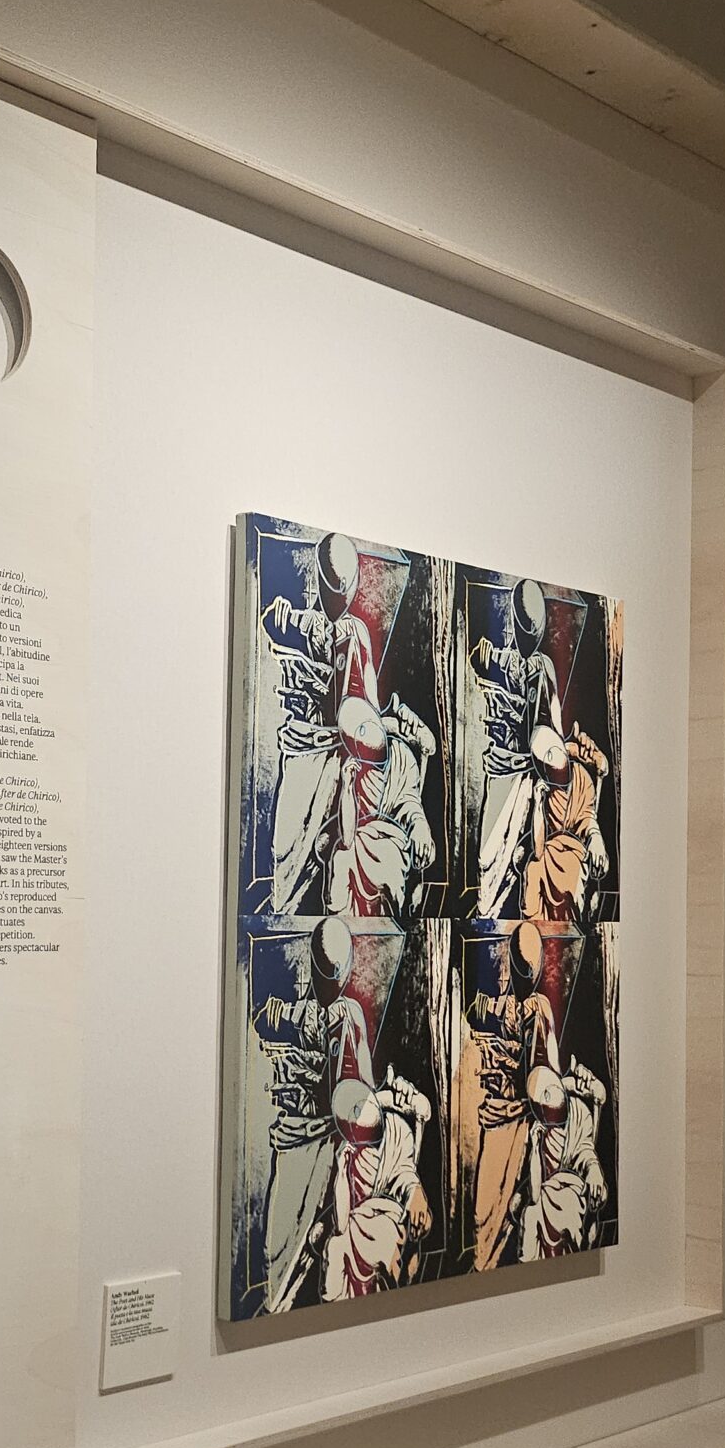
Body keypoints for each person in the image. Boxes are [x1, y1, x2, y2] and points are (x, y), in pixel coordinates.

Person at [256, 917, 373, 1313]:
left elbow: (363, 1088)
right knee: (277, 1243)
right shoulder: (298, 1014)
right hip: (295, 1138)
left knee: (323, 1233)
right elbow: (266, 1020)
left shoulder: (350, 1015)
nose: (332, 983)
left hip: (333, 1141)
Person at [261, 533, 379, 914]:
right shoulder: (300, 621)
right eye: (333, 587)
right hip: (302, 750)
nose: (339, 598)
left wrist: (365, 737)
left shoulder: (357, 633)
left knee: (336, 847)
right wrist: (281, 617)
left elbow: (370, 704)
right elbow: (269, 623)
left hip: (339, 755)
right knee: (284, 848)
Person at [467, 920, 559, 1272]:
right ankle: (485, 1262)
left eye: (530, 969)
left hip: (524, 1117)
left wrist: (512, 1063)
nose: (526, 977)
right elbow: (478, 1013)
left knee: (512, 1200)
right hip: (497, 1114)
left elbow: (546, 1072)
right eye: (521, 968)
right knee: (483, 1209)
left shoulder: (540, 1009)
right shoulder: (502, 1006)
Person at [471, 578, 561, 920]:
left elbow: (554, 723)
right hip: (500, 769)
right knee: (488, 855)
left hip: (529, 772)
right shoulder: (498, 658)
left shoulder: (544, 667)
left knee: (523, 851)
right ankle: (488, 908)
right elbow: (477, 661)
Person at [322, 1071, 434, 1301]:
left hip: (390, 1215)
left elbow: (405, 1173)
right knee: (335, 1248)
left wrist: (415, 1192)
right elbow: (342, 1219)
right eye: (354, 1112)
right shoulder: (348, 1157)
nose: (360, 1110)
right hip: (357, 1221)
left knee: (386, 1240)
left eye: (362, 1103)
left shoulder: (398, 1130)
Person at [325, 693, 437, 921]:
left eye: (366, 726)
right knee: (341, 858)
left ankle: (388, 924)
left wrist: (419, 827)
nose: (365, 737)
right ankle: (345, 925)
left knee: (389, 863)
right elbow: (347, 837)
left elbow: (410, 802)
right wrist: (348, 787)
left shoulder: (403, 756)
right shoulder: (356, 771)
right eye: (357, 735)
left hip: (393, 839)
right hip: (360, 839)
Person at [521, 722, 611, 927]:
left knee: (571, 874)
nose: (554, 756)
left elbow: (587, 816)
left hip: (575, 849)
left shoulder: (581, 777)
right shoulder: (546, 793)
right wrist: (538, 804)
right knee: (534, 869)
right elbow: (538, 850)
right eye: (546, 755)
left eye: (554, 748)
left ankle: (571, 926)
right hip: (549, 851)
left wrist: (595, 837)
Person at [527, 1058, 609, 1258]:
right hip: (547, 1192)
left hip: (575, 1187)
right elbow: (535, 1195)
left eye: (549, 1088)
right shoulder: (542, 1132)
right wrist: (535, 1147)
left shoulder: (579, 1112)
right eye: (542, 1097)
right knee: (531, 1214)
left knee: (569, 1206)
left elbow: (586, 1151)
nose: (547, 1098)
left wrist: (594, 1171)